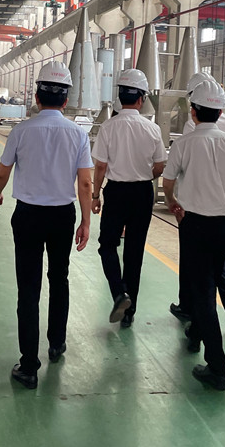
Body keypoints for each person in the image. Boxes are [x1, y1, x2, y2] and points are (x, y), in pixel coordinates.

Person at [0, 61, 93, 390]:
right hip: (63, 216)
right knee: (59, 279)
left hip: (28, 216)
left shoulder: (21, 131)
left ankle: (29, 366)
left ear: (37, 97)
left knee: (28, 289)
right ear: (66, 100)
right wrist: (86, 221)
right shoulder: (78, 134)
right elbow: (85, 183)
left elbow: (3, 170)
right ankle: (57, 343)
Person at [162, 78, 225, 391]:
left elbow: (167, 182)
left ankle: (217, 367)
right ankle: (195, 333)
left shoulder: (184, 144)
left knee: (202, 292)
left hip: (195, 225)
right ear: (221, 112)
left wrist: (173, 202)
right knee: (212, 277)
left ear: (193, 111)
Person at [92, 69, 167, 328]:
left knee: (107, 244)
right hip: (142, 193)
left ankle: (118, 293)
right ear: (142, 98)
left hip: (116, 192)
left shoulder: (108, 127)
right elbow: (160, 166)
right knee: (134, 251)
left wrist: (95, 195)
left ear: (120, 96)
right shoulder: (152, 129)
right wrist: (145, 174)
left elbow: (100, 166)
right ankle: (129, 312)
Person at [170, 72, 225, 331]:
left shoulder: (191, 130)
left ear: (194, 105)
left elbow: (174, 174)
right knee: (219, 259)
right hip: (224, 209)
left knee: (195, 267)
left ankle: (191, 310)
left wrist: (172, 201)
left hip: (195, 208)